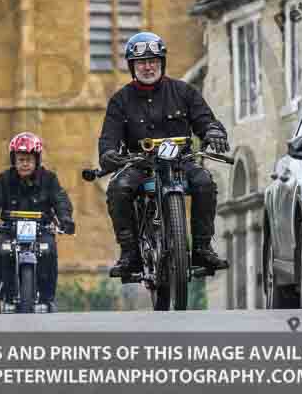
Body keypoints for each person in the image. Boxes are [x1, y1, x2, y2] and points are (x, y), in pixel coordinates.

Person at [98, 31, 230, 276]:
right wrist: (108, 154)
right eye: (142, 62)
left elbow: (205, 119)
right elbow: (109, 137)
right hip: (140, 164)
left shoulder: (184, 92)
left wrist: (213, 132)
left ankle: (202, 248)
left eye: (154, 61)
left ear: (162, 62)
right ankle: (130, 255)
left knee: (204, 183)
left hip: (181, 161)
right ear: (132, 66)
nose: (148, 67)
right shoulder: (120, 100)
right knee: (118, 188)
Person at [0, 132, 75, 314]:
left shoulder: (49, 179)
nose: (24, 163)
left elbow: (61, 200)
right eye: (20, 159)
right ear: (14, 160)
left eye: (29, 159)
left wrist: (65, 219)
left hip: (41, 228)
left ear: (36, 160)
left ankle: (48, 299)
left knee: (49, 250)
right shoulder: (4, 179)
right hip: (10, 228)